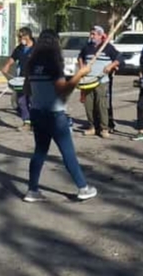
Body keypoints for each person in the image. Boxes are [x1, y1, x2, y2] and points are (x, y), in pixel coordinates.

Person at [22, 29, 98, 203]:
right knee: (68, 153)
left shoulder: (32, 64)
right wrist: (79, 75)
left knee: (39, 152)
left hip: (37, 112)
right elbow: (63, 90)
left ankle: (32, 190)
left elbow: (27, 90)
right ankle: (83, 188)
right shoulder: (54, 65)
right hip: (54, 114)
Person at [78, 25, 121, 138]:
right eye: (91, 33)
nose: (91, 36)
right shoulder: (87, 47)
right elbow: (80, 57)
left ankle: (104, 128)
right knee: (89, 105)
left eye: (94, 34)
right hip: (88, 80)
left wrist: (111, 66)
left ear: (100, 35)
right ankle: (92, 127)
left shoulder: (107, 47)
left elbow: (119, 58)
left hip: (101, 80)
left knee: (101, 105)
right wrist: (82, 68)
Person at [2, 26, 35, 131]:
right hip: (21, 79)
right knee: (21, 101)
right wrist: (7, 66)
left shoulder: (37, 47)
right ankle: (27, 122)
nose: (20, 39)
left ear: (28, 36)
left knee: (32, 101)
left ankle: (36, 122)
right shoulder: (19, 48)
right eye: (19, 37)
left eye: (21, 37)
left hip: (34, 79)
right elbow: (13, 58)